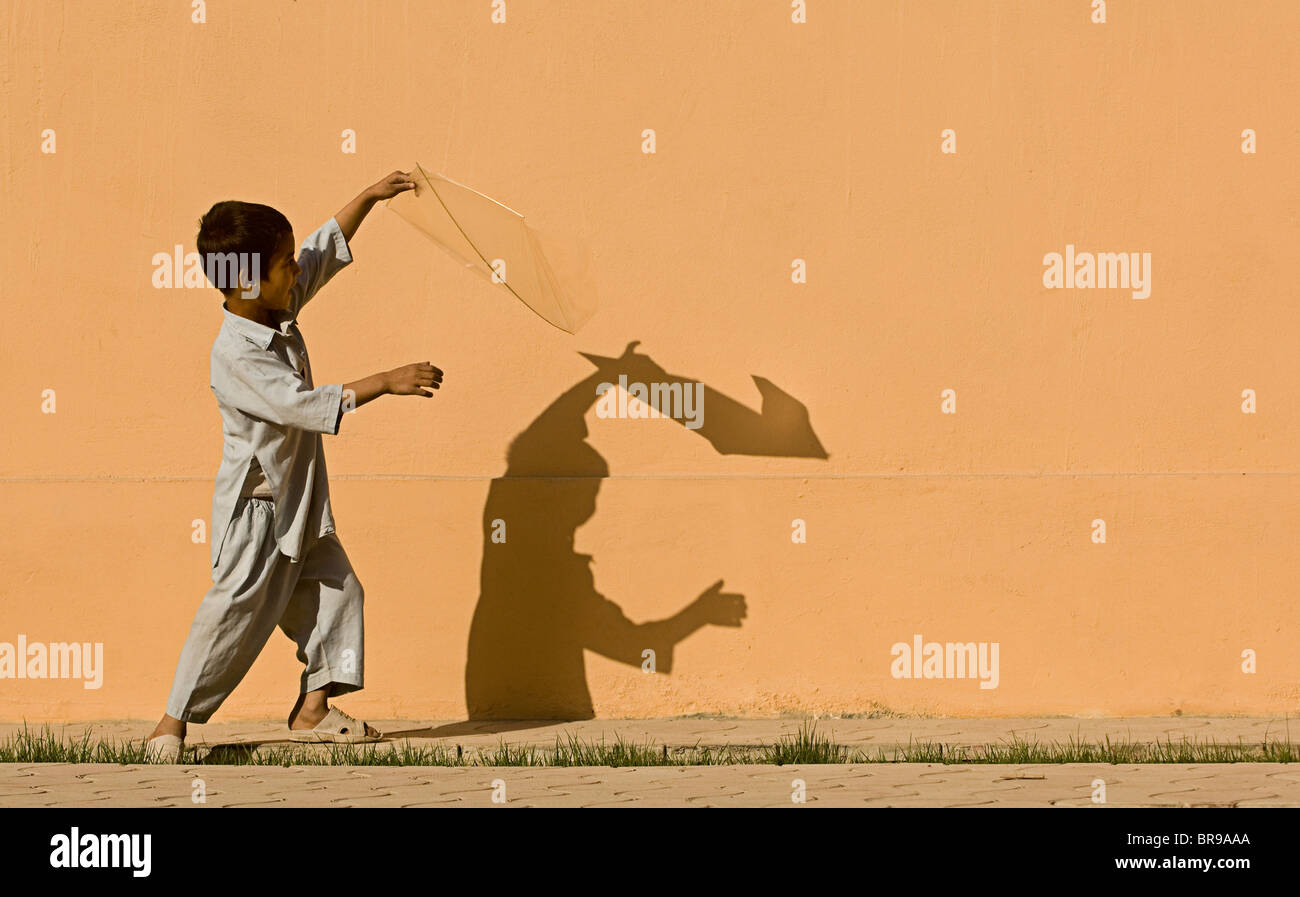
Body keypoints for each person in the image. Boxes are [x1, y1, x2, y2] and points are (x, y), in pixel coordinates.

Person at [145, 172, 442, 761]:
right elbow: (297, 406)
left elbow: (319, 253)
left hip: (301, 503)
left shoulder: (273, 308)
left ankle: (313, 710)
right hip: (255, 514)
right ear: (249, 280)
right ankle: (170, 723)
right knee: (235, 611)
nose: (297, 270)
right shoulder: (236, 354)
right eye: (285, 264)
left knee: (340, 592)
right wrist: (384, 382)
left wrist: (367, 199)